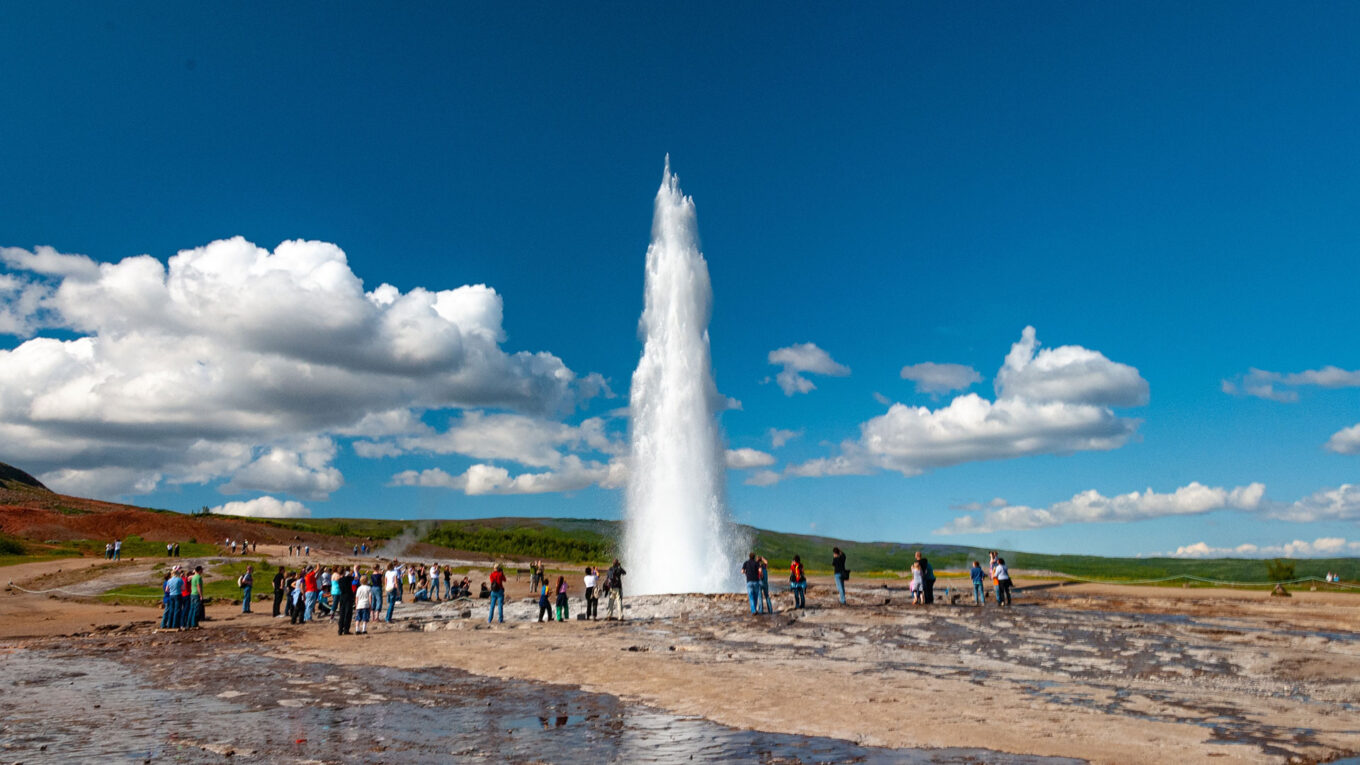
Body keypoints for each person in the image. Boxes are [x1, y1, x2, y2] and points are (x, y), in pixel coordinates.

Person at [336, 566, 356, 636]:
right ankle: (346, 630)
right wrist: (355, 570)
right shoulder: (347, 578)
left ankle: (340, 630)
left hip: (342, 596)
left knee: (342, 613)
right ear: (344, 572)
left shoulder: (339, 580)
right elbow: (356, 577)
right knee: (348, 613)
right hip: (348, 596)